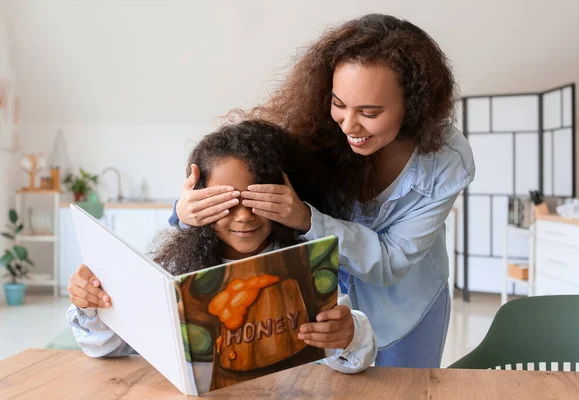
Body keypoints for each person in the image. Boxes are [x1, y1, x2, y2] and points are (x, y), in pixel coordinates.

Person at [170, 14, 475, 368]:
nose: (348, 125)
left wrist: (307, 218)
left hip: (406, 306)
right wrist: (184, 211)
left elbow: (392, 261)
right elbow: (236, 180)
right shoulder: (311, 130)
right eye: (339, 104)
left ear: (415, 106)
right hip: (324, 306)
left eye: (369, 112)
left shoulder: (447, 160)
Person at [66, 120, 376, 377]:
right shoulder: (171, 269)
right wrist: (91, 303)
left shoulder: (304, 266)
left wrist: (349, 334)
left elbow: (353, 357)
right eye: (225, 204)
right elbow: (104, 348)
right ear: (200, 204)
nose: (243, 216)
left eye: (256, 201)